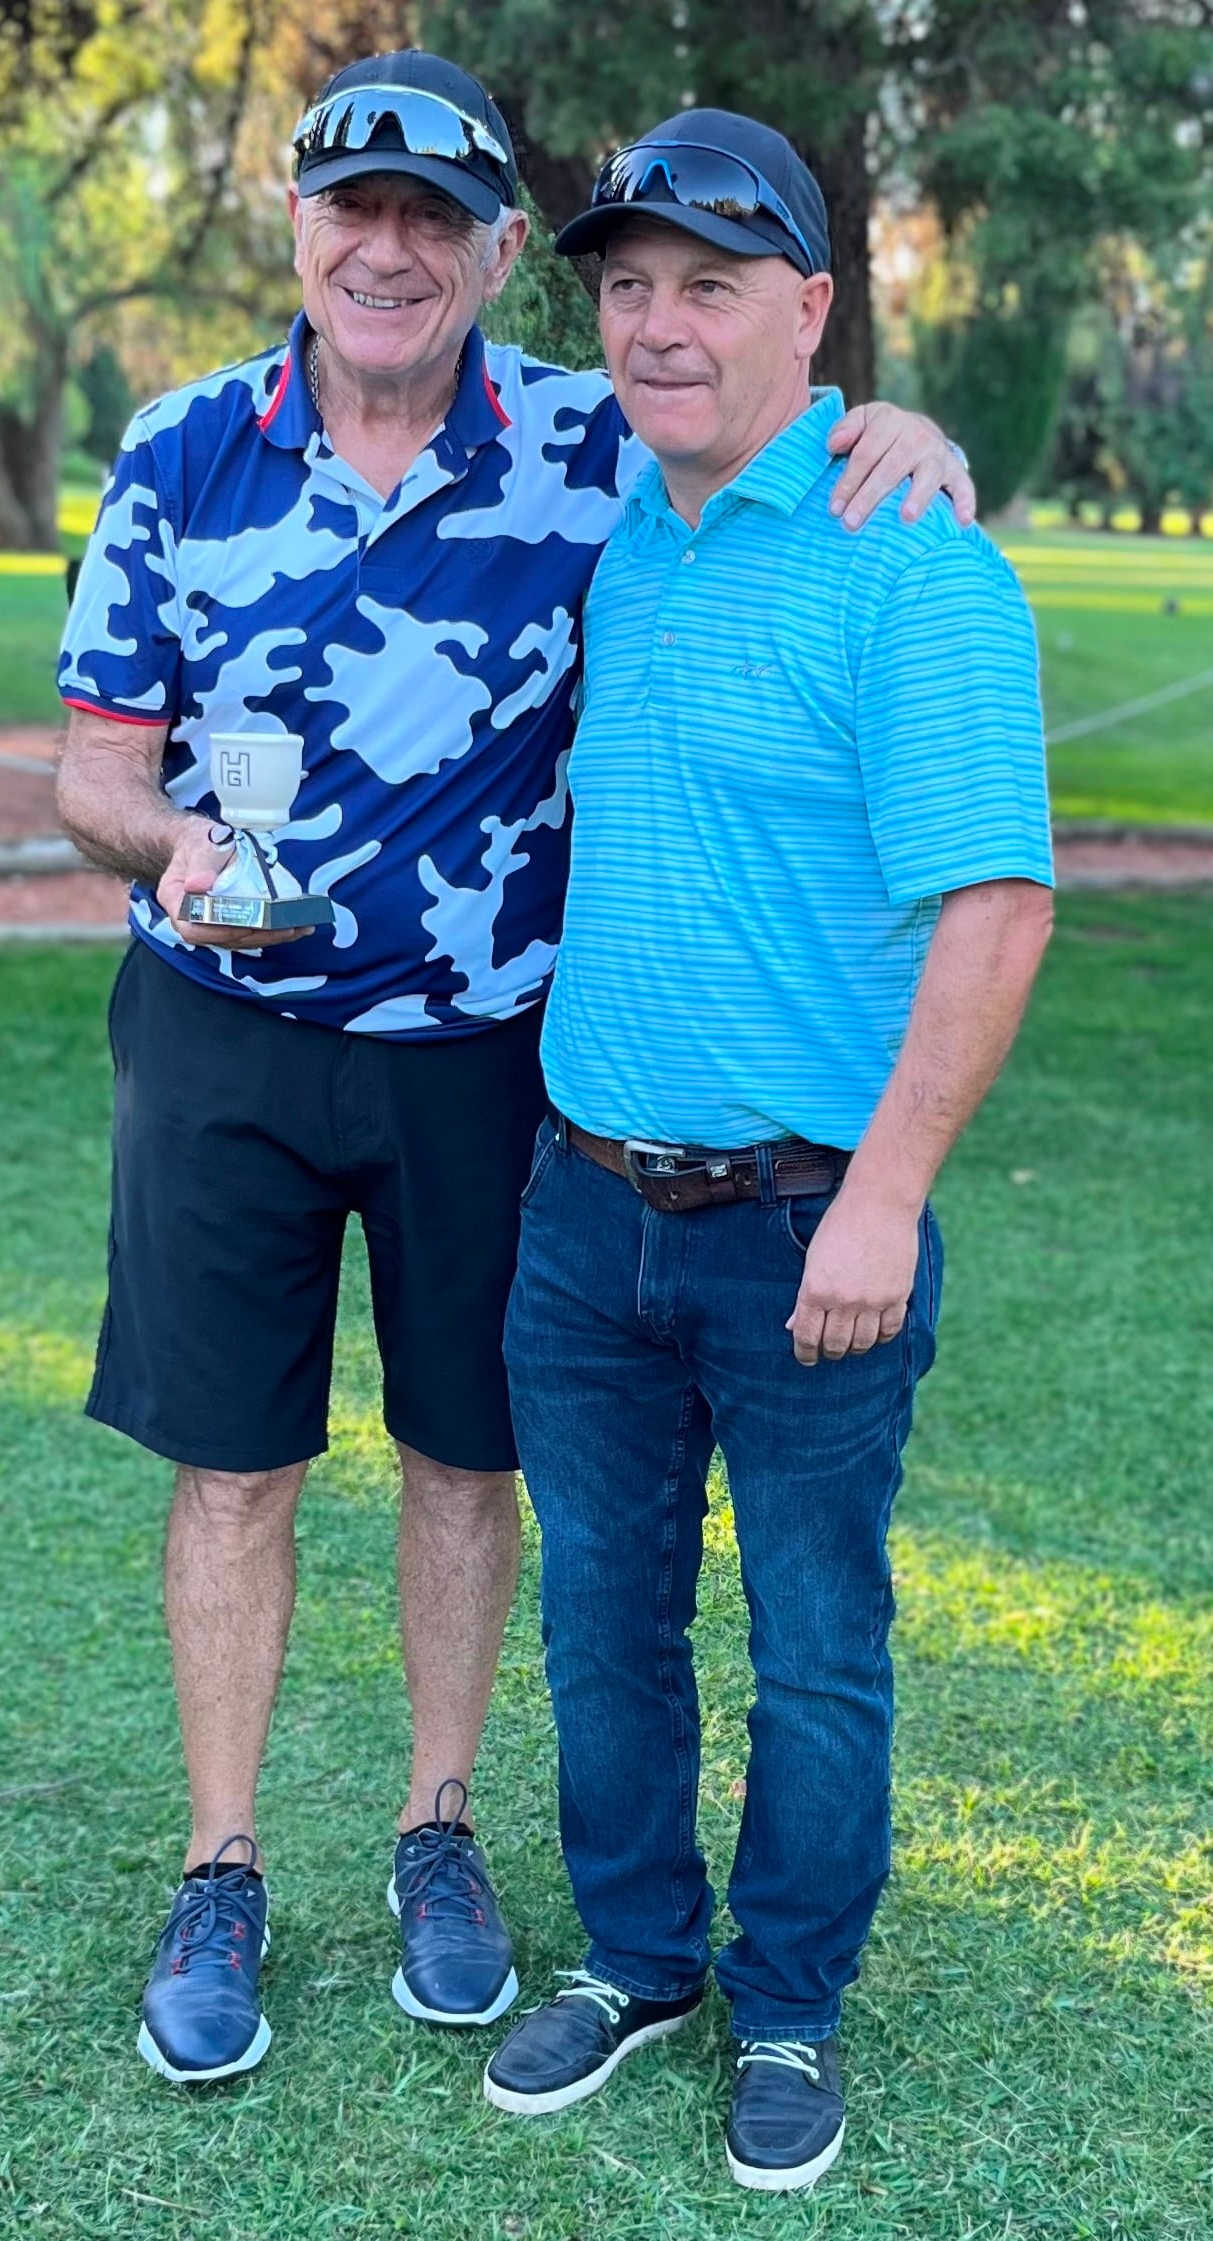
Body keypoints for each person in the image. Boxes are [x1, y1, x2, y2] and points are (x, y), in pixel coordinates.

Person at [54, 48, 975, 2086]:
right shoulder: (180, 448)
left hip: (488, 1053)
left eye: (431, 217)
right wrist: (175, 843)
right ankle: (221, 1863)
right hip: (220, 1036)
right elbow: (94, 760)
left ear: (486, 253)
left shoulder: (591, 446)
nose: (384, 248)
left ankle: (438, 1829)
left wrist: (904, 432)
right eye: (346, 208)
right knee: (235, 1463)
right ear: (294, 228)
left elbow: (772, 450)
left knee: (472, 1457)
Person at [482, 111, 1054, 2192]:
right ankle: (639, 1956)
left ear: (808, 310)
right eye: (624, 282)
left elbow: (996, 908)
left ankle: (787, 1996)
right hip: (580, 1205)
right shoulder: (617, 499)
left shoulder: (912, 555)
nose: (653, 321)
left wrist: (888, 1195)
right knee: (601, 1622)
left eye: (708, 283)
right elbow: (397, 358)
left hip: (810, 1216)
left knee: (814, 1639)